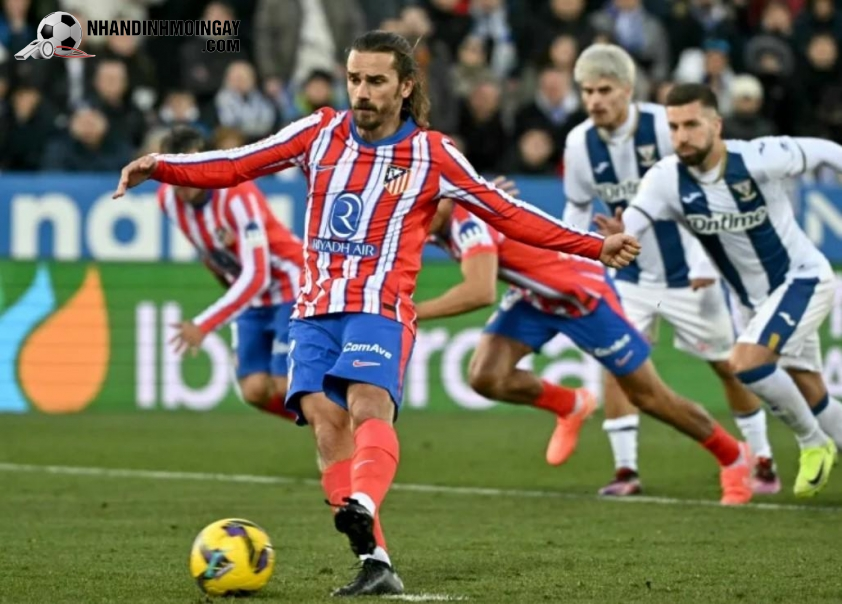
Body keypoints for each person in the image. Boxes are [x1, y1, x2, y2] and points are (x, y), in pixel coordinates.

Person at [113, 31, 641, 597]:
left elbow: (507, 212)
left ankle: (361, 501)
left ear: (406, 86)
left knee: (367, 403)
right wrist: (161, 166)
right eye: (354, 79)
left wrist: (592, 245)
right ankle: (375, 560)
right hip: (314, 306)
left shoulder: (433, 154)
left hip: (379, 305)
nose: (361, 92)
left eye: (376, 81)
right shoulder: (320, 132)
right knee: (324, 424)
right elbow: (239, 163)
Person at [420, 192, 753, 507]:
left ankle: (733, 456)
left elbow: (480, 291)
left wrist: (411, 311)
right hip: (534, 299)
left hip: (583, 297)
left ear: (448, 196)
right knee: (485, 377)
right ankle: (571, 404)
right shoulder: (433, 217)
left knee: (649, 397)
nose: (421, 209)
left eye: (430, 201)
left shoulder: (469, 222)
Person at [561, 44, 779, 496]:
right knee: (618, 363)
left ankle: (761, 459)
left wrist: (706, 260)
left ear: (628, 90)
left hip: (689, 275)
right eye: (586, 91)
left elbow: (708, 186)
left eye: (604, 90)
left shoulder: (667, 125)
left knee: (729, 366)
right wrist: (567, 261)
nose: (594, 100)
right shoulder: (581, 142)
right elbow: (578, 207)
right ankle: (626, 471)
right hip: (629, 277)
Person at [616, 82, 842, 498]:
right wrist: (615, 238)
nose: (681, 135)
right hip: (752, 304)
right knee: (812, 390)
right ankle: (822, 435)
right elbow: (634, 219)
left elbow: (829, 152)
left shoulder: (757, 157)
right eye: (674, 126)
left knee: (746, 362)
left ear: (715, 124)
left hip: (803, 279)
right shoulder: (666, 178)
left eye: (691, 124)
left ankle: (812, 442)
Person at [156, 127, 302, 421]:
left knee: (286, 384)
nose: (182, 180)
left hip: (290, 284)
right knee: (253, 390)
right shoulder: (167, 202)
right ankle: (333, 423)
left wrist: (203, 323)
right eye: (174, 171)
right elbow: (210, 250)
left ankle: (337, 436)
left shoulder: (237, 196)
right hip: (252, 298)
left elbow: (258, 274)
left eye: (189, 167)